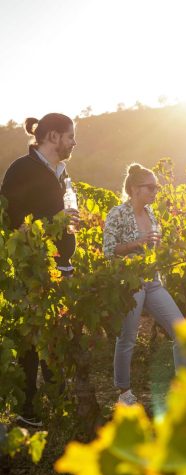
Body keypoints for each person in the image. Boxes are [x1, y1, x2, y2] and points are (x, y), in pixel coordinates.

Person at [0, 113, 79, 426]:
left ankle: (57, 398)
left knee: (55, 333)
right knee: (31, 335)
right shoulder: (22, 169)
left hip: (61, 265)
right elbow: (12, 222)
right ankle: (27, 409)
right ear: (54, 136)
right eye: (70, 136)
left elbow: (58, 215)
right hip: (32, 268)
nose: (74, 142)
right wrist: (55, 223)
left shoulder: (60, 171)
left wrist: (68, 223)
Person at [103, 163, 186, 406]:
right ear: (134, 189)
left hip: (152, 281)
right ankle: (124, 393)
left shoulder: (150, 214)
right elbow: (109, 251)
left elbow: (152, 247)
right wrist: (136, 244)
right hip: (130, 283)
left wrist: (161, 249)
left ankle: (184, 387)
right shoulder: (117, 213)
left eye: (156, 188)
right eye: (150, 188)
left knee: (181, 331)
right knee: (127, 337)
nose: (155, 192)